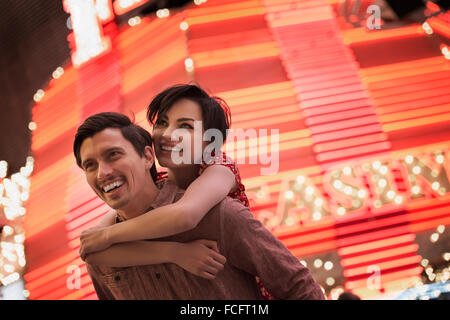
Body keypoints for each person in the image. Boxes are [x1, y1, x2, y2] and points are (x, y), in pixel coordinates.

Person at [74, 111, 324, 299]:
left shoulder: (217, 215)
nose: (102, 173)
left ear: (148, 156)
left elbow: (298, 287)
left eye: (113, 155)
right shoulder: (100, 253)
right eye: (90, 165)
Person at [79, 84, 274, 298]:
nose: (169, 134)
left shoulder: (218, 168)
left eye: (186, 127)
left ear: (210, 141)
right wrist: (174, 253)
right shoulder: (160, 181)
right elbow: (93, 252)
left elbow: (185, 215)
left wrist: (108, 235)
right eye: (162, 123)